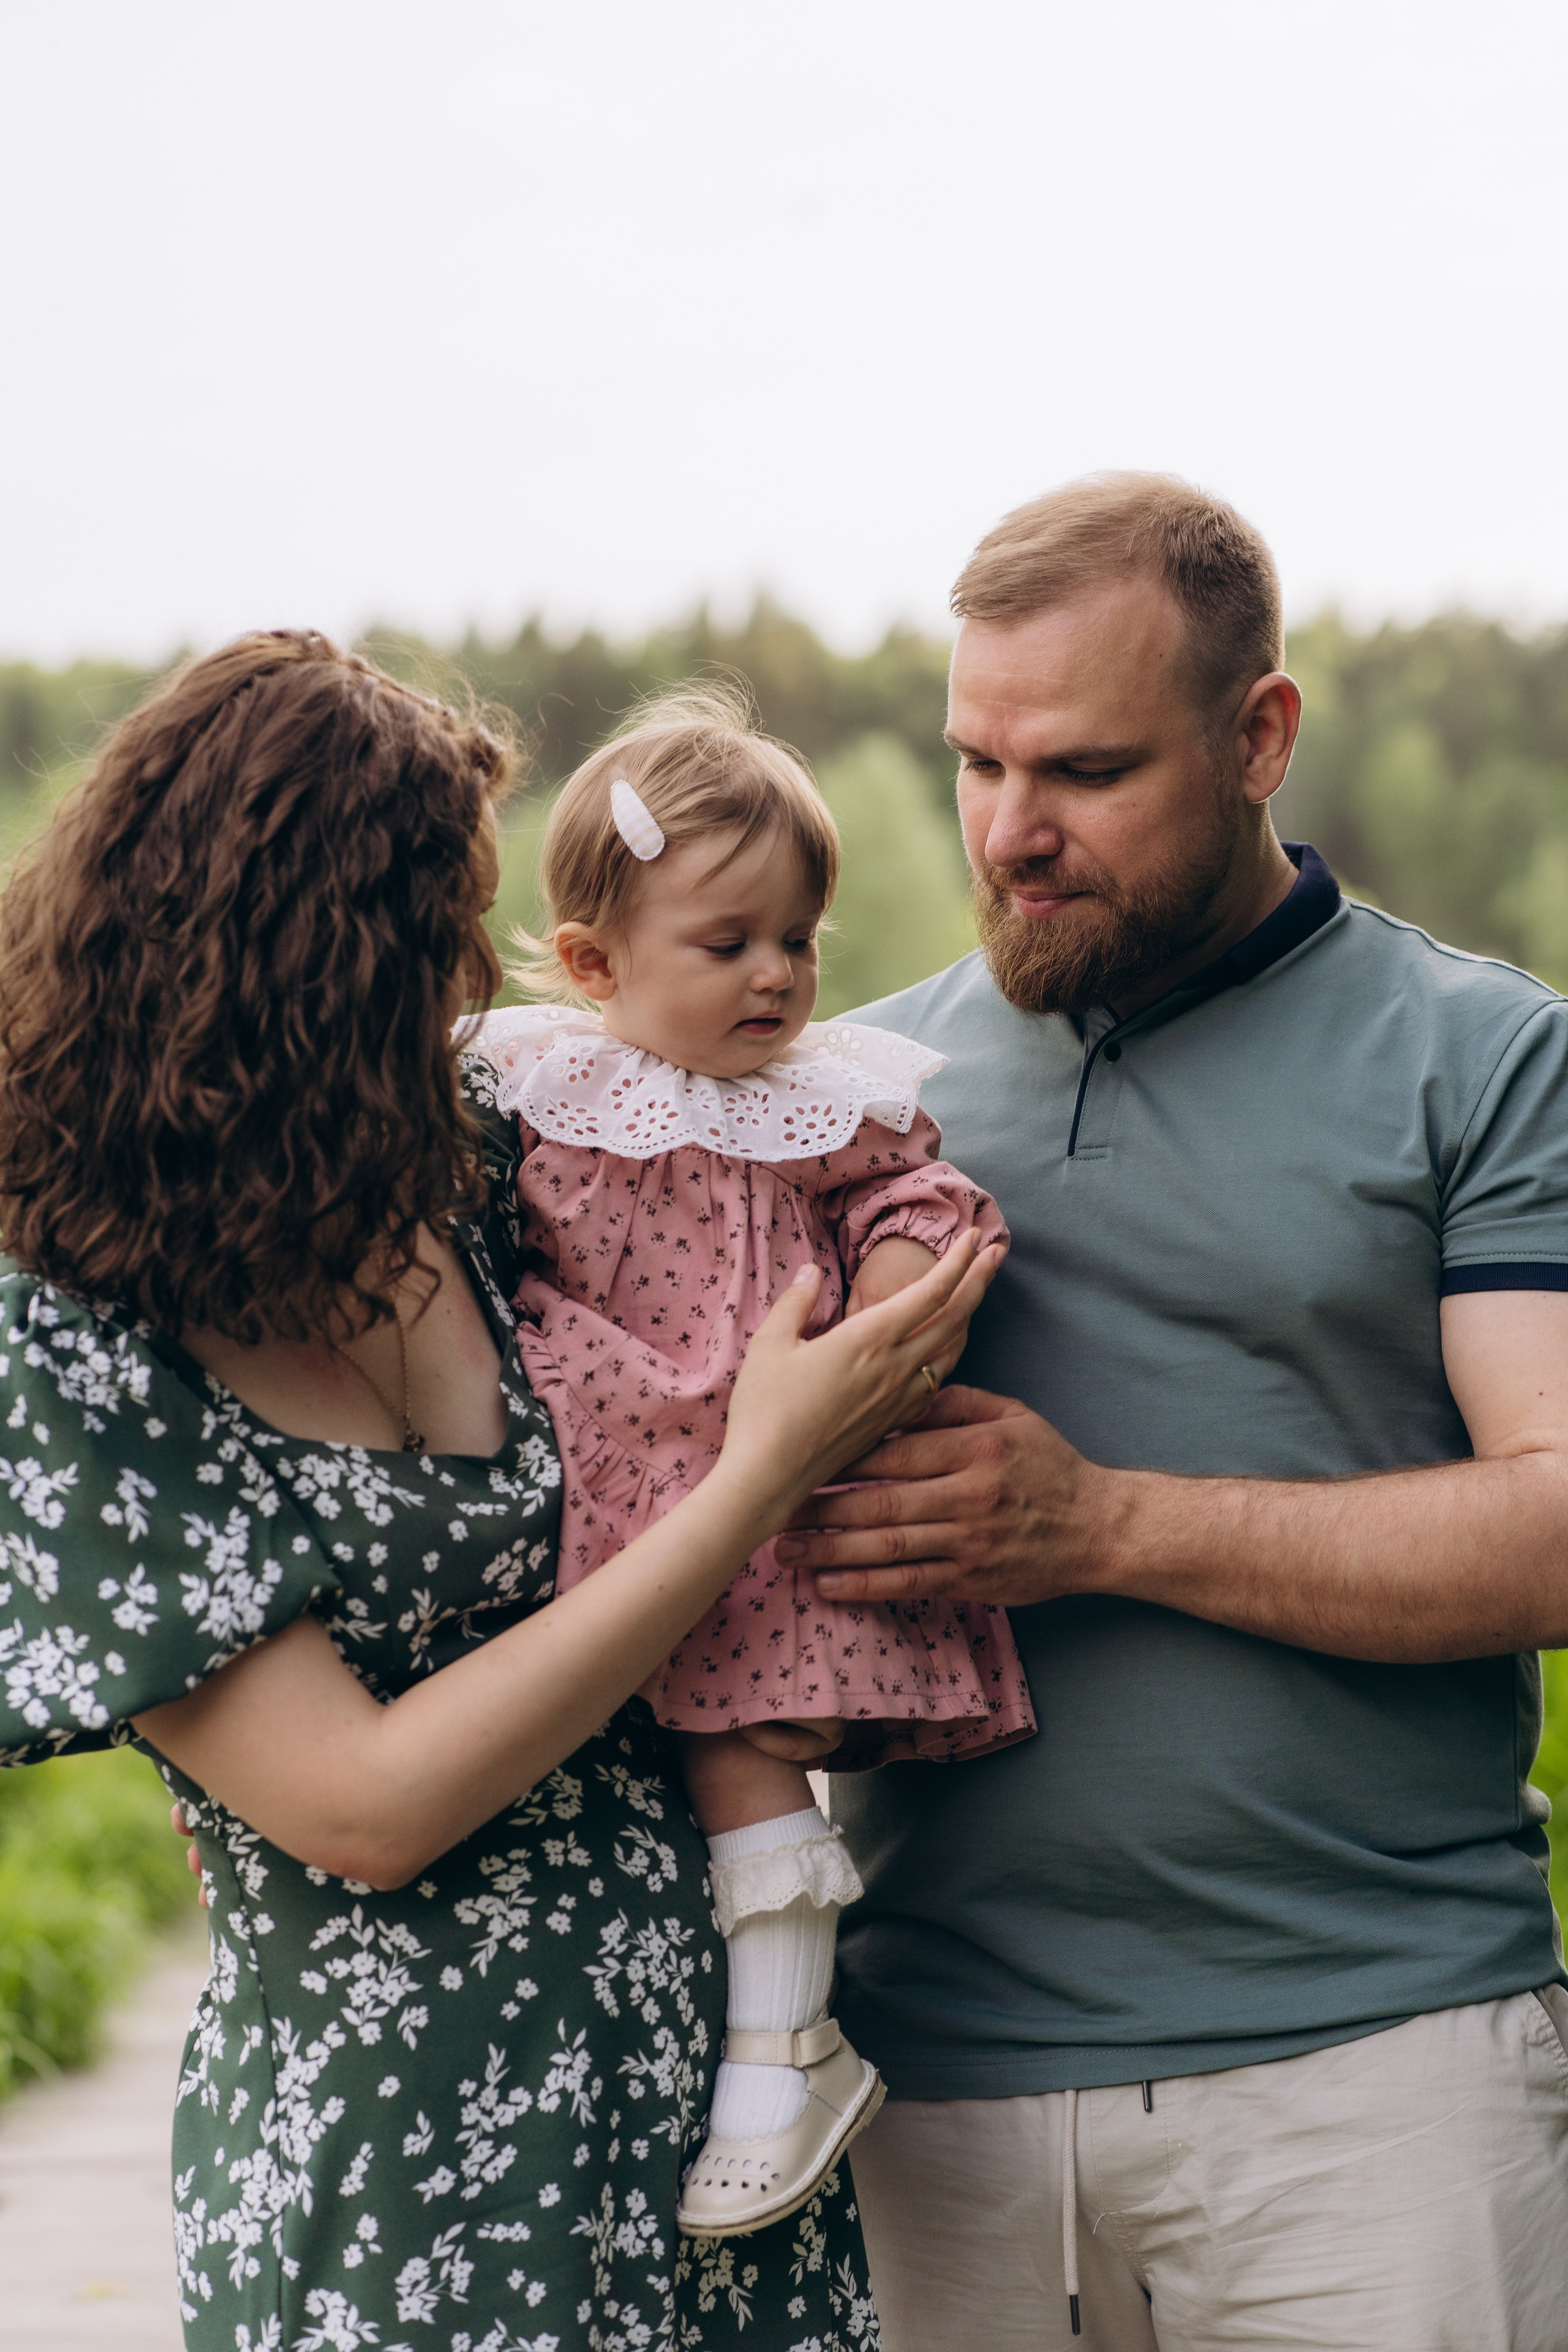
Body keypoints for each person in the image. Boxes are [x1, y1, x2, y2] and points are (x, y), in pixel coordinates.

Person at [0, 630, 997, 2352]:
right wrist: (758, 1477)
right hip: (406, 2174)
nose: (480, 972)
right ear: (293, 968)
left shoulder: (468, 1158)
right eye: (432, 933)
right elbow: (364, 1809)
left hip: (710, 2122)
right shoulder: (73, 1332)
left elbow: (761, 1203)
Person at [775, 474, 1568, 2351]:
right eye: (975, 763)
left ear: (1260, 736)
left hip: (1379, 2078)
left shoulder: (1486, 1056)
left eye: (1086, 772)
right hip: (916, 2085)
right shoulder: (847, 1089)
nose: (1010, 834)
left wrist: (1099, 1526)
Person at [479, 687, 1026, 2236]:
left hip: (756, 1504)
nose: (778, 976)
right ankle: (665, 2056)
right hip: (602, 1491)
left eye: (798, 938)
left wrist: (899, 1272)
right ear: (594, 964)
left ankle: (784, 2049)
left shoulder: (821, 1104)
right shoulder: (536, 1092)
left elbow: (916, 1201)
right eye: (728, 945)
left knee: (741, 1751)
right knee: (596, 1772)